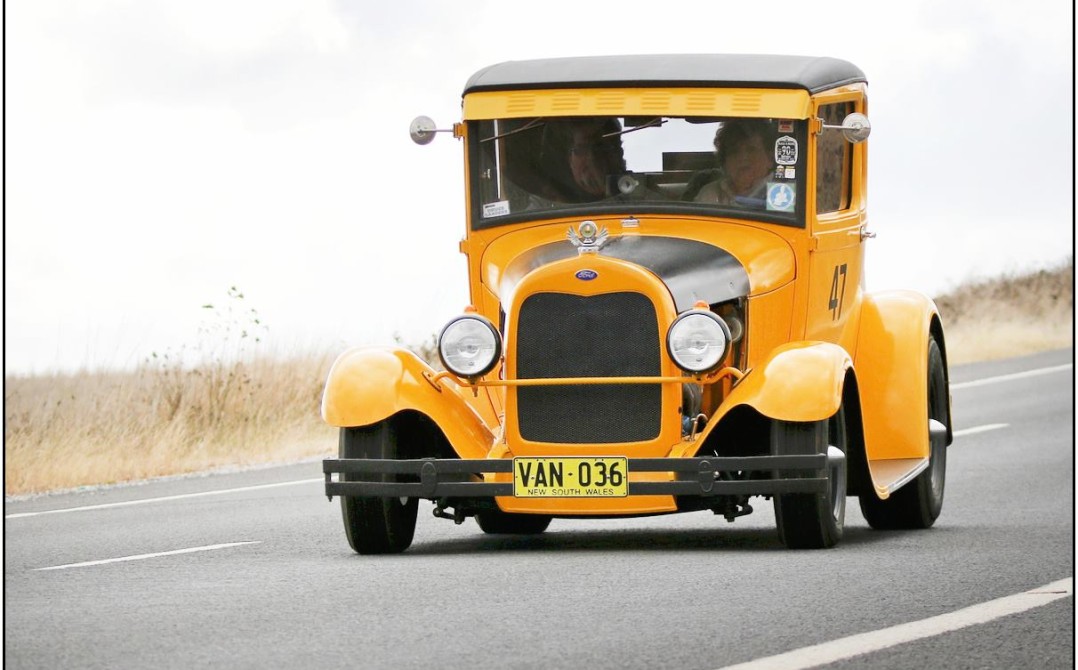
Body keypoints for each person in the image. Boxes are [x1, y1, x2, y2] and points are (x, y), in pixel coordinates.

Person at [540, 117, 626, 203]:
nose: (592, 158)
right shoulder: (548, 204)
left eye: (601, 147)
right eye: (581, 150)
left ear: (618, 153)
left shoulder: (637, 195)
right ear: (569, 160)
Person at [692, 119, 774, 207]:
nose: (742, 157)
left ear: (770, 159)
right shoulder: (710, 193)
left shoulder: (781, 192)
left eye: (751, 149)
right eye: (734, 151)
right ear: (724, 162)